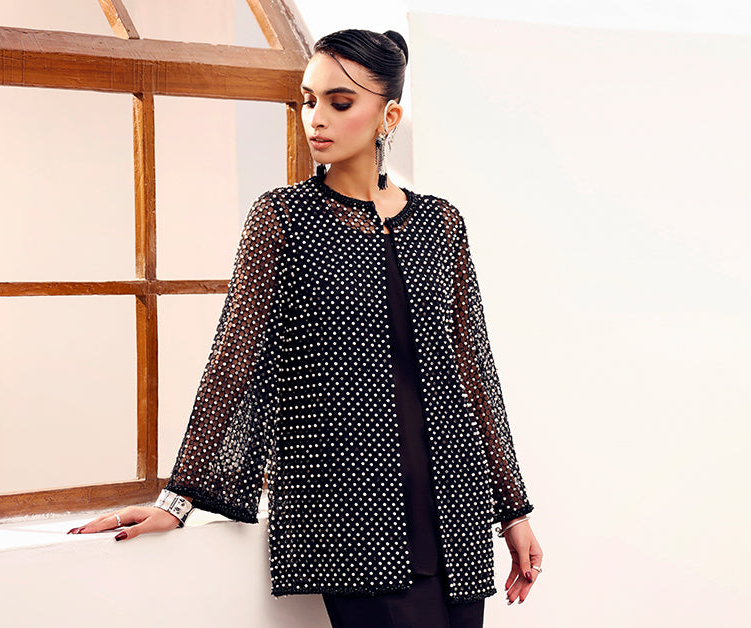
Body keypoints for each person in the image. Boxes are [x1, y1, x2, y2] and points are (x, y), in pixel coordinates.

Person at [70, 28, 543, 627]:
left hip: (454, 506)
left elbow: (474, 373)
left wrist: (513, 509)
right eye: (308, 100)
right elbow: (235, 360)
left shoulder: (440, 224)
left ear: (389, 116)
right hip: (351, 511)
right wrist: (179, 497)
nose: (316, 118)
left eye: (339, 103)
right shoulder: (284, 217)